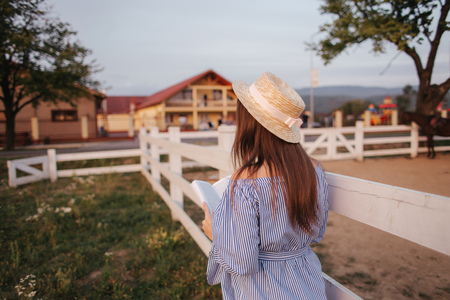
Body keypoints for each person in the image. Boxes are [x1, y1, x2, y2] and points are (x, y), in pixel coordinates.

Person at [202, 72, 329, 299]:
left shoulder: (246, 181)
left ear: (250, 123)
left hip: (263, 288)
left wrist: (216, 234)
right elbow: (317, 231)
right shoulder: (314, 170)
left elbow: (242, 261)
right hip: (307, 280)